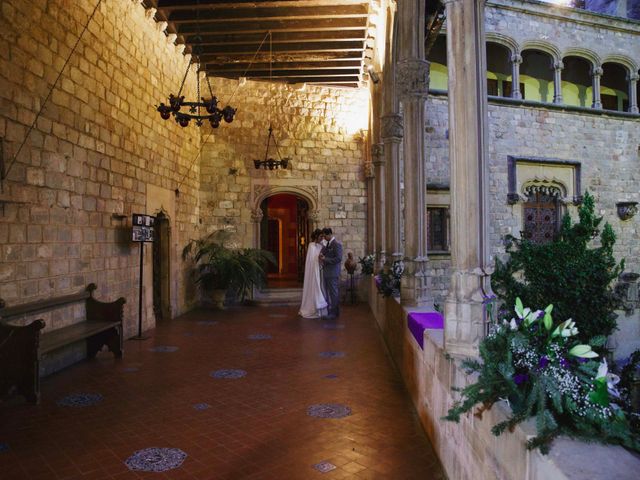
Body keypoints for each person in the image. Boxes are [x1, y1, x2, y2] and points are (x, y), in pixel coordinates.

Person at [298, 229, 328, 318]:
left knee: (321, 288)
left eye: (323, 237)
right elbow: (311, 261)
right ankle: (313, 308)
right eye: (320, 236)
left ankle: (320, 310)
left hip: (320, 270)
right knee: (315, 288)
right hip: (314, 270)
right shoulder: (311, 246)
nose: (322, 238)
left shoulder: (322, 245)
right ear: (316, 236)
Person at [319, 227, 343, 319]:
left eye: (325, 236)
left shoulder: (336, 245)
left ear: (329, 234)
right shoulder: (328, 244)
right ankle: (330, 311)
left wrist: (326, 259)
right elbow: (324, 253)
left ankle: (334, 313)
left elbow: (338, 258)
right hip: (327, 272)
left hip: (332, 273)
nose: (324, 237)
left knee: (333, 293)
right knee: (328, 293)